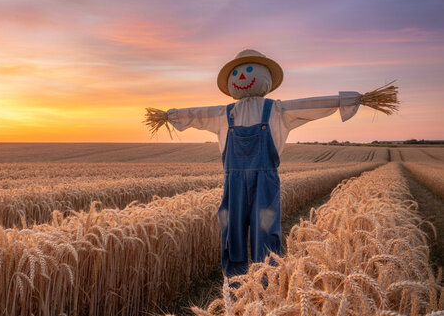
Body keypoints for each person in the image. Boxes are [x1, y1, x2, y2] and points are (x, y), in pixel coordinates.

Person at [151, 49, 395, 277]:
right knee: (231, 231)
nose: (242, 77)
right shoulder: (226, 113)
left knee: (265, 232)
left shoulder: (276, 110)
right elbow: (197, 112)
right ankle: (236, 288)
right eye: (236, 73)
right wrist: (170, 115)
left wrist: (347, 100)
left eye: (247, 71)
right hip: (237, 184)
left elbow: (310, 104)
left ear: (263, 77)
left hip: (262, 183)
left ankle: (265, 286)